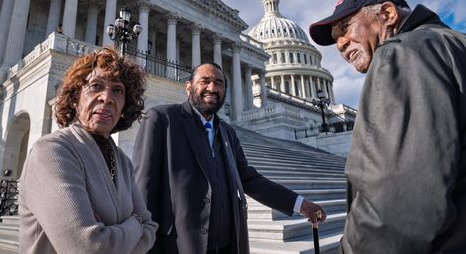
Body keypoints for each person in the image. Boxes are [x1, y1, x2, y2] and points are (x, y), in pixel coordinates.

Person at [309, 0, 466, 253]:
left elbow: (399, 206)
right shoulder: (454, 44)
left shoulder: (402, 53)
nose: (340, 44)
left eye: (346, 27)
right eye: (336, 39)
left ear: (388, 14)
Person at [132, 62, 326, 254]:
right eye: (205, 81)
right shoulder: (162, 119)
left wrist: (301, 204)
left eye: (219, 83)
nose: (212, 88)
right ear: (189, 87)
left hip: (227, 245)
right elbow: (144, 189)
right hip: (180, 245)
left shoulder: (227, 132)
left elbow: (250, 180)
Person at [18, 47, 157, 254]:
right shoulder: (52, 151)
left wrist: (116, 233)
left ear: (124, 105)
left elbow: (151, 228)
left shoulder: (122, 160)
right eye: (96, 86)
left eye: (118, 90)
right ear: (75, 98)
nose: (107, 98)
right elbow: (88, 248)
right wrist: (135, 223)